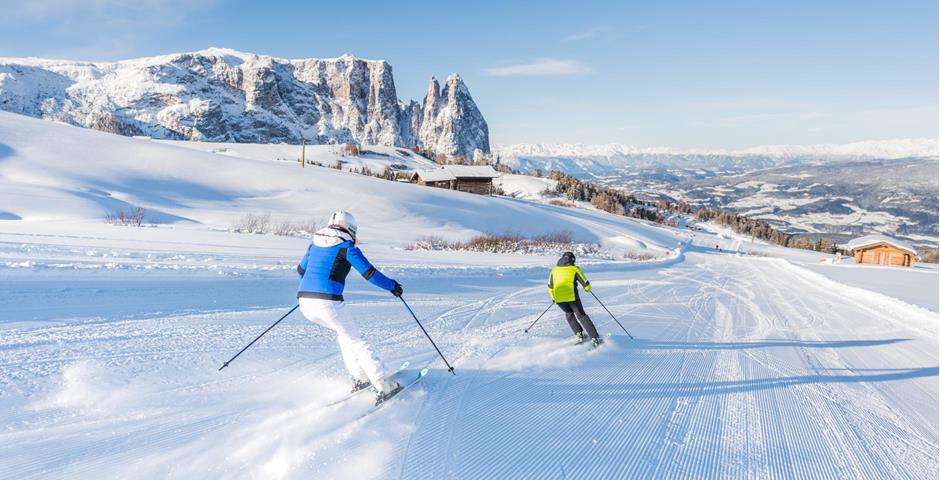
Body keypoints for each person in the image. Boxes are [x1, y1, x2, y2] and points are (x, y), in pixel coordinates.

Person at [296, 211, 405, 402]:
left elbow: (301, 270)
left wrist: (312, 289)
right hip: (327, 302)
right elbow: (370, 273)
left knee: (346, 335)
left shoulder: (314, 244)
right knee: (358, 340)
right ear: (350, 229)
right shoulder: (346, 247)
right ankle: (382, 383)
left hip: (305, 302)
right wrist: (393, 287)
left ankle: (361, 377)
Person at [547, 251, 602, 347]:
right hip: (572, 298)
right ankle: (595, 338)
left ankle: (579, 334)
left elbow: (549, 287)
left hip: (558, 299)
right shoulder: (574, 269)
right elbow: (586, 285)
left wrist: (553, 298)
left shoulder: (554, 270)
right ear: (572, 260)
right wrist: (587, 288)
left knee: (569, 314)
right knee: (581, 316)